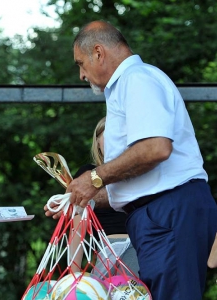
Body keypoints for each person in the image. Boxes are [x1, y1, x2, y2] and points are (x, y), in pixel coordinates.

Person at [66, 20, 217, 299]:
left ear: (98, 52)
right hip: (158, 214)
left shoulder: (137, 78)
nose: (81, 75)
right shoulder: (127, 84)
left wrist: (95, 177)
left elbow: (155, 149)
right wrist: (81, 198)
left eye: (80, 63)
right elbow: (139, 180)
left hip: (168, 211)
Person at [69, 117, 139, 278]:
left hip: (144, 246)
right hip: (109, 252)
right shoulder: (88, 176)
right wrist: (73, 274)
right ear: (98, 142)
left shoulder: (141, 174)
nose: (116, 142)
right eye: (110, 137)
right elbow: (77, 226)